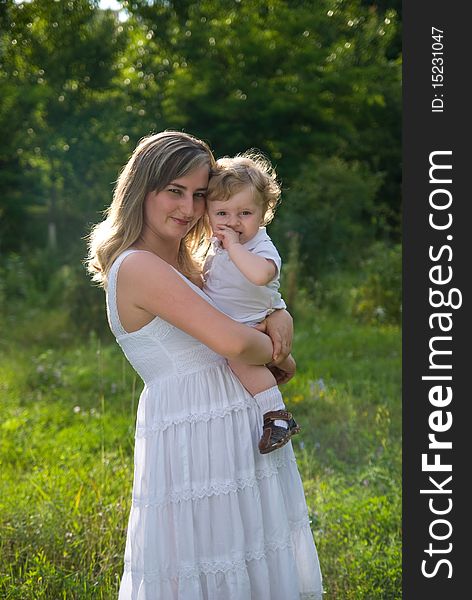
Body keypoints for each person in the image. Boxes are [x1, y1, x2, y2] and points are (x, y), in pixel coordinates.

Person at [86, 130, 323, 600]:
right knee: (208, 559)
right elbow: (233, 340)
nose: (189, 208)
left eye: (199, 195)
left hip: (236, 423)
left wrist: (279, 315)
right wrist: (281, 351)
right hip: (195, 431)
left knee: (249, 551)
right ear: (142, 190)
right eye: (174, 191)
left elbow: (249, 306)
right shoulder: (137, 266)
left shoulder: (191, 260)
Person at [203, 153, 301, 454]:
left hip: (251, 322)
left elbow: (260, 275)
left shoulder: (260, 245)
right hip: (234, 324)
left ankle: (278, 415)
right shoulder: (213, 244)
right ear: (208, 213)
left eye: (244, 213)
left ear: (263, 214)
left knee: (239, 359)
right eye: (222, 214)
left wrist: (232, 245)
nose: (232, 222)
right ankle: (282, 361)